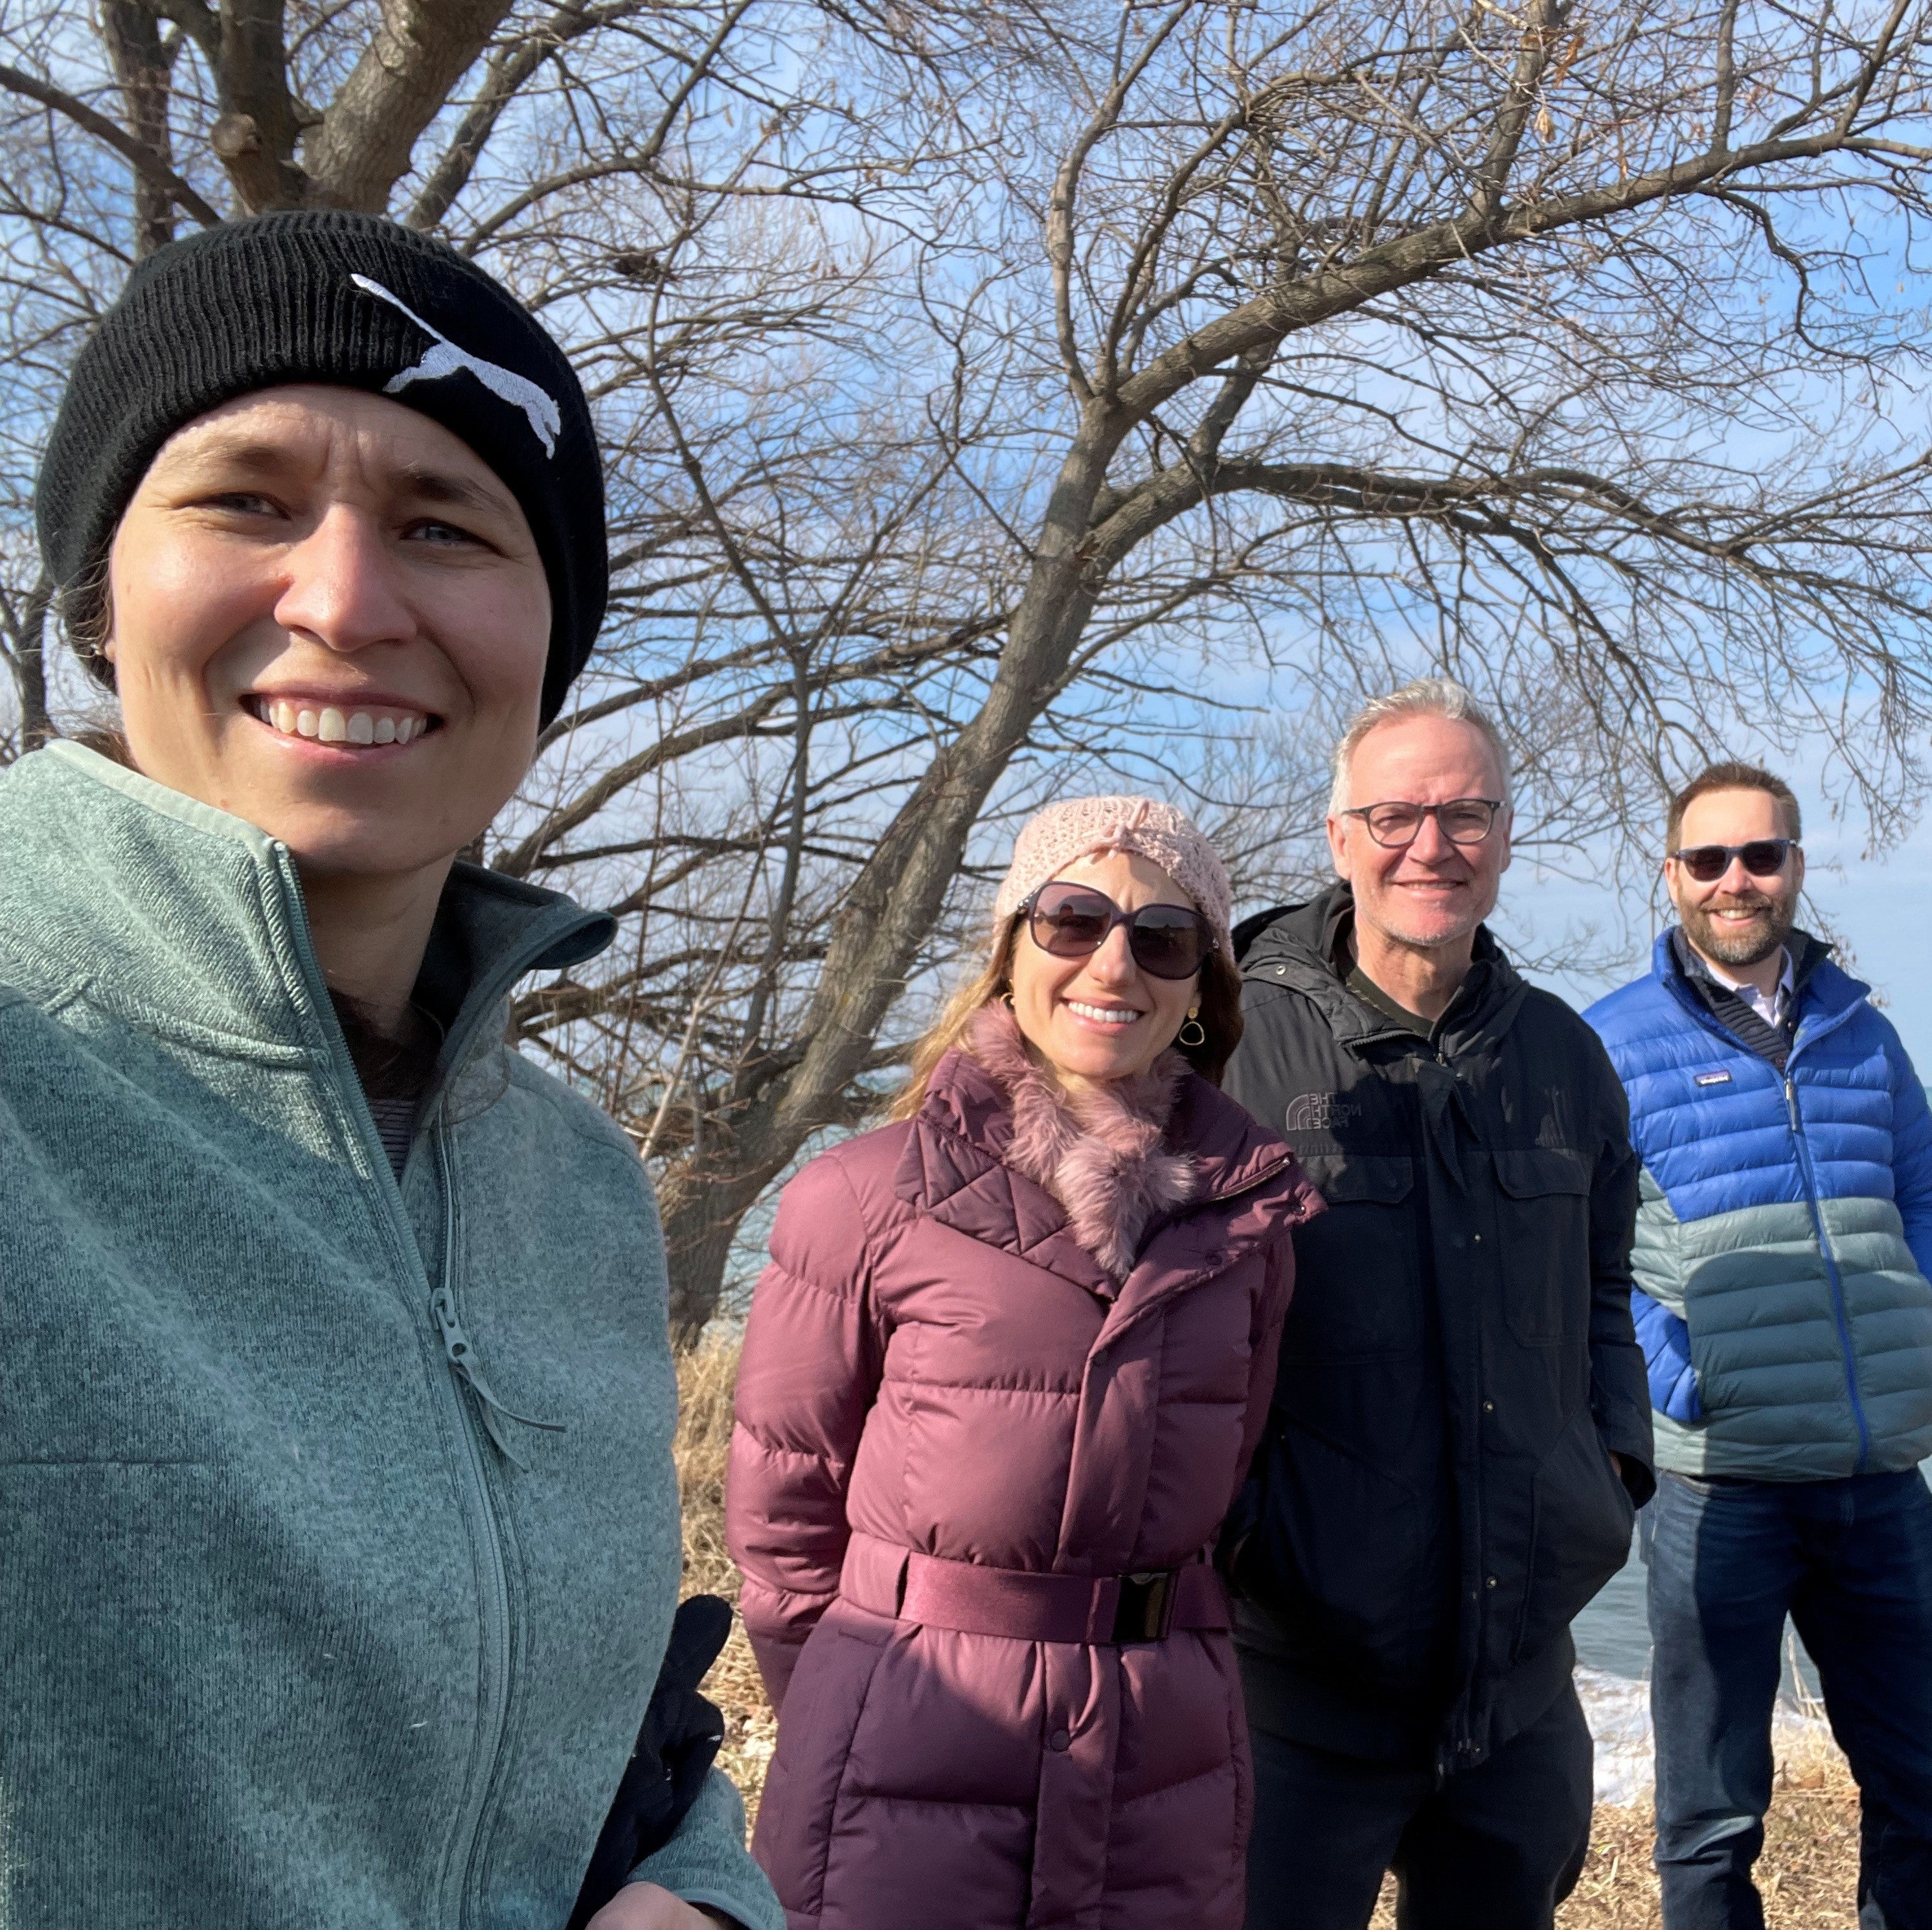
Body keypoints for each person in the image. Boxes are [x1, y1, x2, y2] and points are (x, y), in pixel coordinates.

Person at [0, 212, 780, 1929]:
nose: (347, 599)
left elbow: (601, 1726)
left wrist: (708, 1892)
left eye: (445, 524)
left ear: (547, 646)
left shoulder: (571, 1177)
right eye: (248, 499)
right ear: (96, 593)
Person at [724, 795, 1319, 1930]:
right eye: (1072, 921)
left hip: (1167, 1762)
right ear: (1009, 951)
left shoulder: (1253, 1221)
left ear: (1201, 987)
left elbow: (1226, 1472)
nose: (1115, 964)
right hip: (901, 1738)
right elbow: (783, 1513)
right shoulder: (858, 1192)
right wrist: (846, 1710)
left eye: (1163, 938)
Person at [1216, 679, 1653, 1930]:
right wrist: (1243, 1538)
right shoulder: (1231, 1044)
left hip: (1519, 1689)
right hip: (1297, 1689)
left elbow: (1606, 1292)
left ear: (1507, 838)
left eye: (1467, 814)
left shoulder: (1564, 1055)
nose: (1433, 844)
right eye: (1397, 812)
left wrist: (1610, 1467)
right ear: (1340, 835)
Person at [1582, 762, 1932, 1930]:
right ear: (1673, 877)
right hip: (1723, 1490)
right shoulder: (1610, 1044)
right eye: (1709, 860)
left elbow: (1928, 1191)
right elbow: (1583, 1258)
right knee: (1711, 1820)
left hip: (1879, 1478)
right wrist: (1680, 1378)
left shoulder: (1863, 1029)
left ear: (1797, 868)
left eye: (1761, 855)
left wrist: (1931, 1335)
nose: (1736, 880)